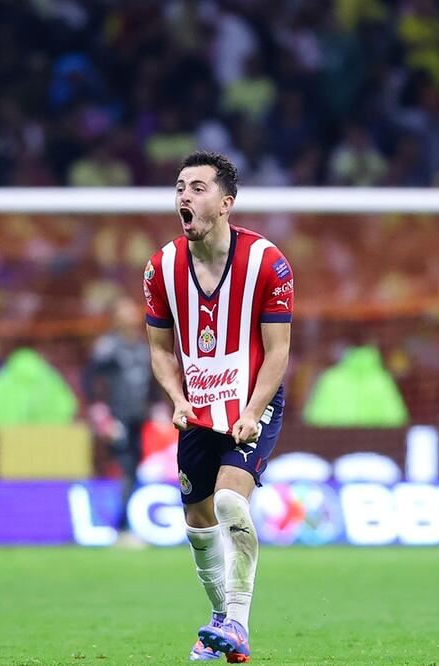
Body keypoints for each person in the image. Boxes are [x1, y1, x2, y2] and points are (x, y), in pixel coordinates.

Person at [144, 151, 293, 662]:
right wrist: (178, 398)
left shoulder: (267, 263)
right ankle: (219, 621)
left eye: (198, 187)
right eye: (180, 186)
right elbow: (161, 349)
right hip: (200, 407)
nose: (185, 195)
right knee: (198, 522)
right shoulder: (160, 267)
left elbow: (278, 352)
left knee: (232, 502)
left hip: (253, 400)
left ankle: (237, 623)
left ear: (226, 203)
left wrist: (253, 410)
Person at [83, 295, 154, 547]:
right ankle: (120, 528)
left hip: (139, 420)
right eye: (124, 311)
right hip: (118, 420)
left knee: (134, 471)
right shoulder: (108, 347)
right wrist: (101, 414)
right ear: (115, 317)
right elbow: (90, 379)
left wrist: (157, 409)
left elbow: (152, 382)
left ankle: (123, 525)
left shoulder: (143, 347)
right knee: (125, 469)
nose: (131, 315)